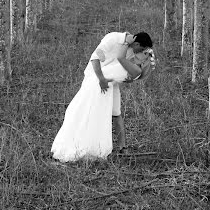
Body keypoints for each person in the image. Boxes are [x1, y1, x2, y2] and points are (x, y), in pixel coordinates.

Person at [51, 31, 154, 162]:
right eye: (142, 50)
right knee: (93, 112)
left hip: (110, 83)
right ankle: (88, 145)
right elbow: (95, 58)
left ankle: (120, 147)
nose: (141, 53)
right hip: (98, 79)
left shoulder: (135, 60)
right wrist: (101, 79)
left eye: (145, 53)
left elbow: (122, 62)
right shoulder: (114, 39)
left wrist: (126, 76)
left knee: (115, 113)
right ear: (138, 43)